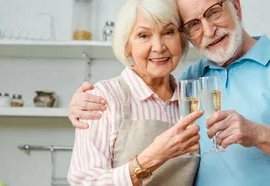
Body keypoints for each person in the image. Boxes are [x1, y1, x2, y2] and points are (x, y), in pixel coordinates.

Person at [68, 0, 270, 185]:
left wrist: (258, 134)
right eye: (194, 24)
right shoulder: (190, 81)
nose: (209, 30)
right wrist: (80, 104)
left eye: (213, 12)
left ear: (235, 6)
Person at [66, 0, 204, 185]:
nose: (159, 46)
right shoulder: (104, 97)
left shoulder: (191, 101)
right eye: (143, 35)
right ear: (127, 45)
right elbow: (83, 181)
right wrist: (152, 157)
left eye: (168, 32)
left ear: (181, 38)